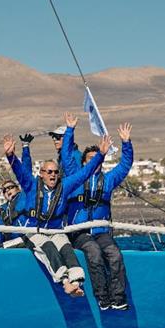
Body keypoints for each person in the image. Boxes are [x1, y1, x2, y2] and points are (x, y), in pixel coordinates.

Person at [4, 132, 109, 296]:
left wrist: (100, 155)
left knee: (67, 248)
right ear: (41, 173)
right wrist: (10, 155)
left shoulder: (65, 186)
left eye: (55, 172)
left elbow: (84, 173)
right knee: (48, 247)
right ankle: (65, 282)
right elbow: (20, 171)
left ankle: (76, 282)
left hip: (55, 230)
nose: (52, 175)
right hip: (34, 230)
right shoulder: (31, 186)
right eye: (49, 172)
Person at [61, 112, 134, 310]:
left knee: (115, 255)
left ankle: (118, 298)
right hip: (80, 233)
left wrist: (126, 143)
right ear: (84, 163)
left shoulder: (109, 180)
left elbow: (125, 165)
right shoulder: (76, 177)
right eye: (91, 158)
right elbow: (66, 156)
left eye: (98, 157)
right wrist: (70, 130)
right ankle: (102, 297)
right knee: (93, 253)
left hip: (101, 233)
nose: (95, 161)